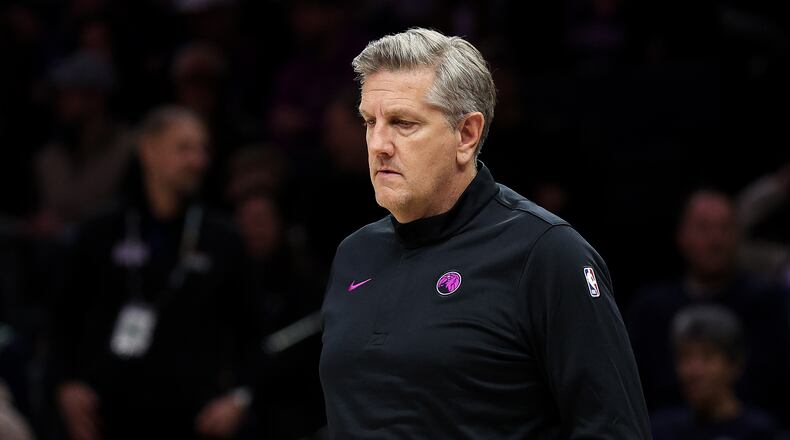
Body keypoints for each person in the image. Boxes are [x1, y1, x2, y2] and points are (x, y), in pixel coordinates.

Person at [319, 28, 650, 439]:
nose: (379, 144)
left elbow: (615, 429)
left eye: (403, 123)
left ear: (467, 134)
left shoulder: (546, 253)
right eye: (370, 121)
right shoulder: (354, 254)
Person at [49, 105, 259, 440]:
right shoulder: (101, 231)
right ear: (148, 150)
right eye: (184, 148)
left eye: (203, 149)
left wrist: (240, 398)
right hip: (105, 418)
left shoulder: (223, 238)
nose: (198, 160)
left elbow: (253, 332)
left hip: (194, 421)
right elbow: (62, 321)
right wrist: (65, 385)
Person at [627, 189, 790, 420]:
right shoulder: (651, 309)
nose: (716, 240)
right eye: (703, 228)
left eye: (725, 228)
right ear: (682, 236)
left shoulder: (767, 304)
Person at [651, 305, 781, 440]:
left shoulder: (760, 433)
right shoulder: (661, 431)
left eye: (708, 357)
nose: (693, 371)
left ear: (735, 365)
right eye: (685, 357)